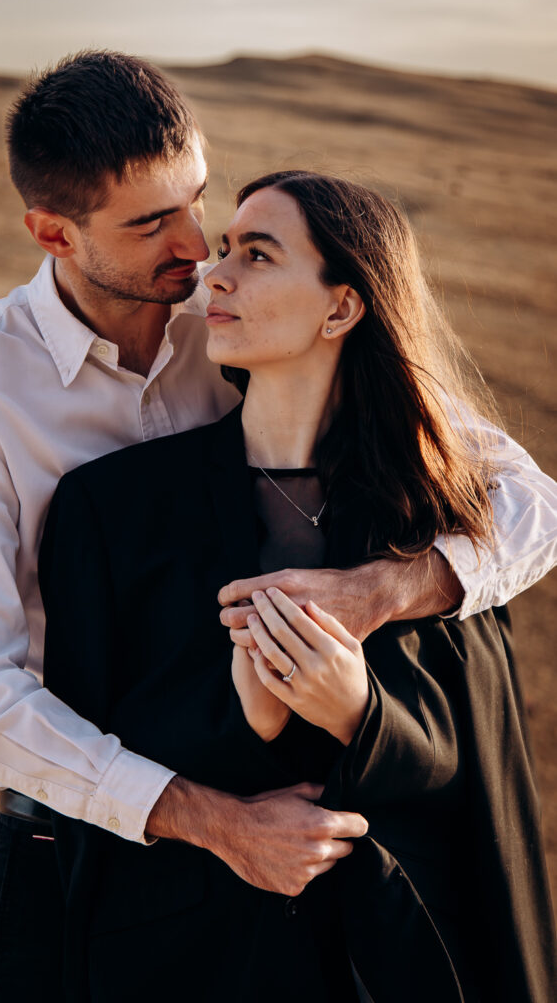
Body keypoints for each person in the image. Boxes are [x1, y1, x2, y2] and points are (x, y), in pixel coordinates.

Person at [0, 52, 557, 1000]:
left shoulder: (236, 317)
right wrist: (215, 822)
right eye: (149, 223)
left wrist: (376, 592)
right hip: (78, 847)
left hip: (287, 850)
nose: (194, 248)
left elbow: (527, 498)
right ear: (52, 233)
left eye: (195, 201)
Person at [39, 171, 556, 1002]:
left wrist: (358, 711)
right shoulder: (111, 507)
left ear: (340, 308)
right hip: (182, 962)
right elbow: (83, 749)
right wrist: (246, 715)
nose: (214, 276)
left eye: (257, 254)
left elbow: (472, 770)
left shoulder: (438, 523)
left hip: (393, 961)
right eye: (224, 250)